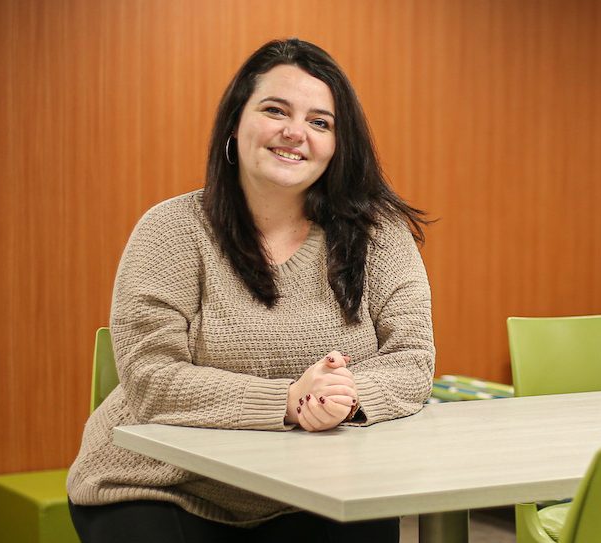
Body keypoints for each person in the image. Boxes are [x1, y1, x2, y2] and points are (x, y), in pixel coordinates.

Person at [66, 38, 435, 543]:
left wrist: (345, 398)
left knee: (370, 522)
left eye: (320, 122)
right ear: (235, 123)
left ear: (338, 144)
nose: (294, 133)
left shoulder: (379, 233)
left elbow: (412, 358)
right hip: (163, 485)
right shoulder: (170, 230)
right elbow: (150, 378)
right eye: (275, 110)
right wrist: (287, 401)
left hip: (318, 487)